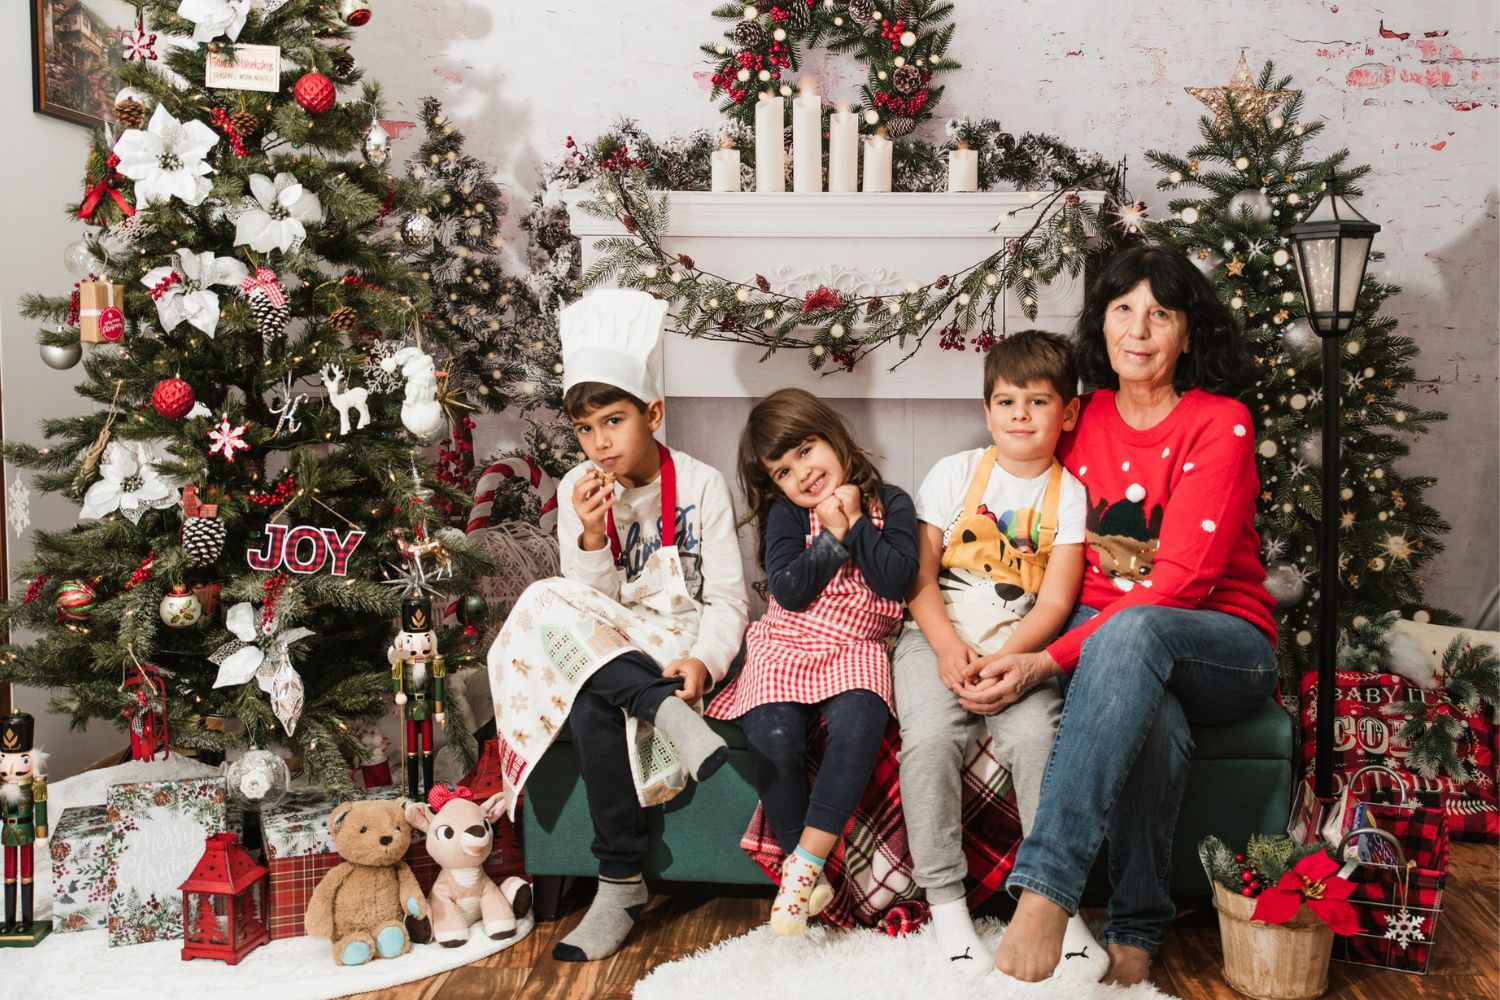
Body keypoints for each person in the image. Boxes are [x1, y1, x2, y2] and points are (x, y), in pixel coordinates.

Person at [986, 246, 1278, 986]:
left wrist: (1046, 660)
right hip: (1117, 648)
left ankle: (1046, 889)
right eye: (1123, 309)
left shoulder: (1221, 423)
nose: (1139, 329)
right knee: (1150, 713)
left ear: (1187, 334)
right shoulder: (1081, 420)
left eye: (1161, 313)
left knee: (1137, 627)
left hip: (1223, 641)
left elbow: (1179, 585)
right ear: (1102, 324)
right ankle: (1138, 926)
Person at [485, 289, 749, 963]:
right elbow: (583, 605)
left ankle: (619, 881)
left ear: (652, 414)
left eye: (613, 422)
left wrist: (705, 664)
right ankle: (657, 712)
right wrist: (593, 533)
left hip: (677, 639)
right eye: (585, 429)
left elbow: (727, 601)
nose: (599, 443)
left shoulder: (700, 483)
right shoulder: (581, 487)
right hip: (615, 642)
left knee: (591, 689)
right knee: (550, 604)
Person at [894, 330, 1106, 979]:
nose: (1020, 415)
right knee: (928, 737)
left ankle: (1057, 903)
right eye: (1006, 401)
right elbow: (920, 579)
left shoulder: (1068, 495)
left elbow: (1054, 604)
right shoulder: (955, 474)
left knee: (1042, 735)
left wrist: (1009, 661)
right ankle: (946, 904)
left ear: (1067, 414)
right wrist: (951, 649)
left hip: (1022, 648)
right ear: (987, 411)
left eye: (1038, 402)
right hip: (937, 640)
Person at [709, 388, 919, 936]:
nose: (800, 475)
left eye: (806, 451)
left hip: (857, 646)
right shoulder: (785, 515)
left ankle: (801, 864)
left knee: (861, 720)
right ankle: (808, 873)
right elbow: (790, 590)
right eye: (782, 471)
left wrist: (853, 527)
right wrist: (828, 536)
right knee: (771, 731)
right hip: (788, 640)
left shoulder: (892, 503)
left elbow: (894, 580)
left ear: (833, 436)